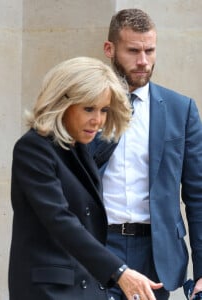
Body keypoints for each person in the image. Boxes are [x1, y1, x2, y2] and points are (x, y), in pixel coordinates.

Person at [8, 56, 163, 300]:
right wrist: (119, 271)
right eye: (88, 108)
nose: (98, 120)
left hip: (86, 287)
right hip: (50, 289)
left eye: (104, 110)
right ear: (61, 103)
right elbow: (60, 220)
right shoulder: (33, 149)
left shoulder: (79, 148)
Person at [88, 8, 202, 300]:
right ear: (109, 49)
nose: (143, 61)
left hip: (156, 253)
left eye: (149, 50)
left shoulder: (181, 109)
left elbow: (197, 194)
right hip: (97, 246)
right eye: (133, 51)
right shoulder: (85, 108)